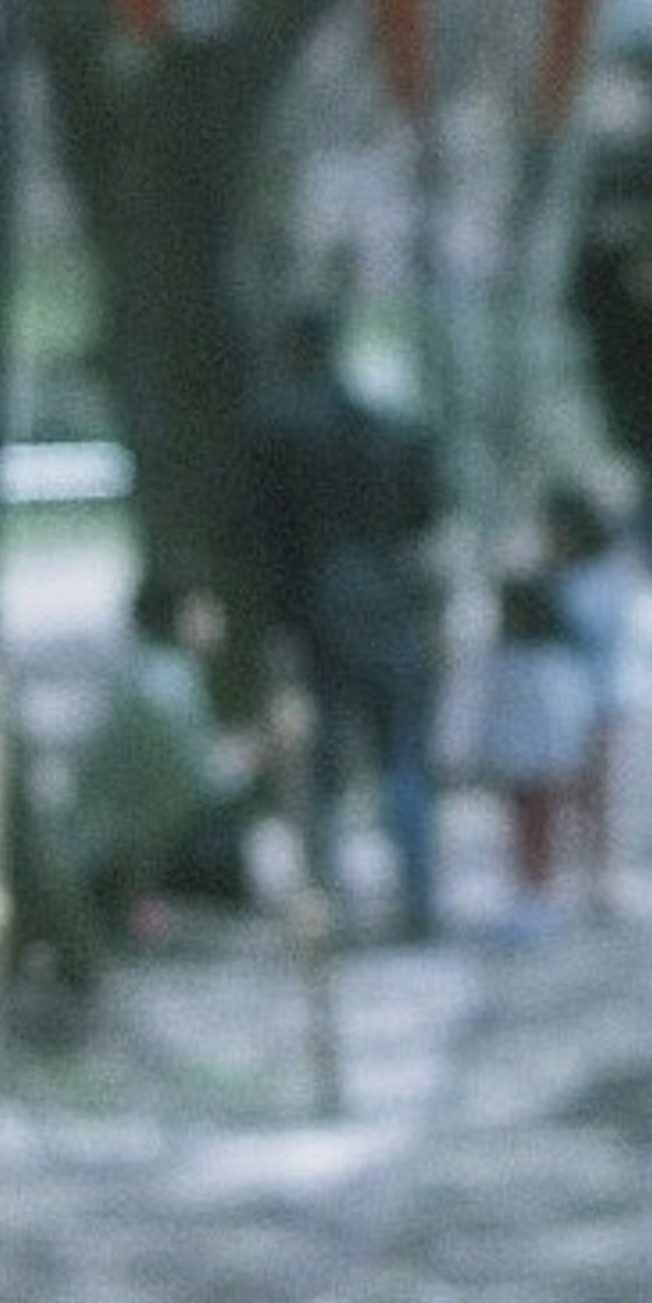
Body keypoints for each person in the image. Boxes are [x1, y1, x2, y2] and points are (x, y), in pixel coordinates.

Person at [242, 301, 444, 939]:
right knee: (399, 756)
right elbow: (423, 511)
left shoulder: (280, 429)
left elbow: (261, 534)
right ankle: (415, 898)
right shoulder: (378, 426)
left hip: (319, 611)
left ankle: (329, 906)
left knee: (327, 764)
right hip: (384, 602)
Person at [61, 572, 257, 937]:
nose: (218, 619)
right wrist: (252, 757)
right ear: (183, 616)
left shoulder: (155, 672)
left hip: (124, 849)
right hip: (117, 857)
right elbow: (195, 785)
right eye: (206, 609)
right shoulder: (168, 684)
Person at [473, 549, 600, 932]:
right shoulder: (509, 658)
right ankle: (528, 895)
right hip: (521, 763)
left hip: (542, 763)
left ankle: (542, 896)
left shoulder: (550, 661)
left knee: (540, 832)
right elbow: (491, 713)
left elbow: (567, 715)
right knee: (521, 832)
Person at [539, 476, 637, 913]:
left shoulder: (601, 576)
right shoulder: (554, 575)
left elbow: (597, 633)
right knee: (567, 794)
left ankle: (602, 878)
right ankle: (568, 877)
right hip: (559, 704)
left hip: (598, 702)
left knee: (597, 794)